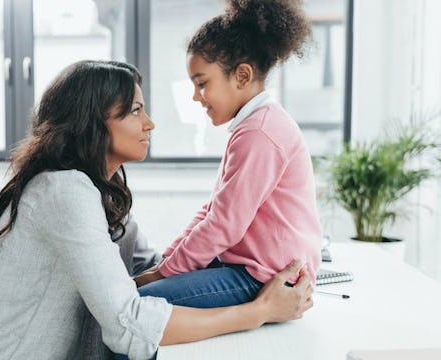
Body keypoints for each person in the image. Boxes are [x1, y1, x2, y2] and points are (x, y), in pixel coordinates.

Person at [0, 60, 313, 360]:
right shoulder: (63, 191)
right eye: (135, 111)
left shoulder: (100, 194)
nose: (149, 123)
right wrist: (260, 310)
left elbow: (148, 268)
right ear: (92, 123)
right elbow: (128, 324)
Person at [134, 0, 323, 310]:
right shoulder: (254, 125)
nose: (196, 97)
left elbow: (223, 225)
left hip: (265, 278)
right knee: (146, 289)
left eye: (202, 84)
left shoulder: (260, 133)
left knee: (138, 307)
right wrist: (168, 258)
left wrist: (162, 273)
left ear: (242, 76)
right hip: (249, 268)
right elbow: (213, 210)